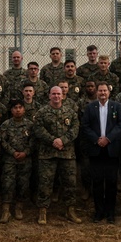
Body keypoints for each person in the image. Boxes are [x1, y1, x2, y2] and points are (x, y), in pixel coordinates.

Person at [32, 87, 81, 225]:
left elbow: (75, 128)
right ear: (49, 95)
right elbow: (38, 129)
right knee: (45, 183)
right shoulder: (42, 112)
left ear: (62, 95)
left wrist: (63, 140)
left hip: (67, 153)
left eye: (58, 94)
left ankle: (70, 210)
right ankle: (42, 211)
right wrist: (53, 140)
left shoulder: (70, 112)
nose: (56, 96)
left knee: (70, 183)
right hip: (47, 154)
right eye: (53, 93)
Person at [82, 82, 121, 223]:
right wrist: (96, 139)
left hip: (111, 150)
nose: (102, 93)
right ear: (96, 92)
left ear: (109, 92)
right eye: (100, 91)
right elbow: (85, 126)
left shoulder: (116, 106)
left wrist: (108, 138)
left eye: (105, 91)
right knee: (98, 183)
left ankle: (110, 213)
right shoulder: (90, 107)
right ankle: (99, 212)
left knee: (112, 183)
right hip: (96, 150)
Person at [0, 99, 33, 223]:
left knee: (23, 184)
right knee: (7, 184)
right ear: (11, 110)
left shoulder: (30, 125)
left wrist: (25, 152)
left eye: (20, 107)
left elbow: (33, 142)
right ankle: (5, 210)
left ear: (24, 109)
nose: (18, 110)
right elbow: (2, 141)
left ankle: (19, 207)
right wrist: (13, 152)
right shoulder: (6, 125)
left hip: (25, 159)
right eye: (15, 108)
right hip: (9, 159)